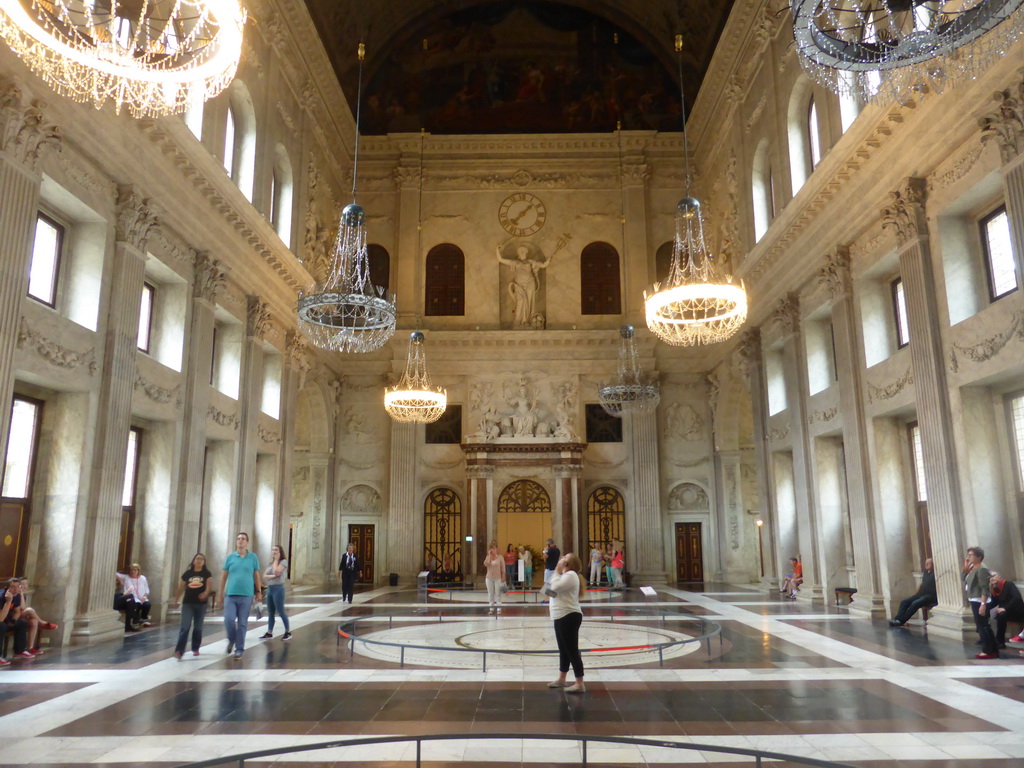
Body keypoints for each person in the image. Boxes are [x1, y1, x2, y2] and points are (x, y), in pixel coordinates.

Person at [542, 552, 586, 693]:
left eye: (564, 558)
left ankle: (579, 683)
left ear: (568, 564)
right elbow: (547, 592)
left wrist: (556, 571)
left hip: (568, 615)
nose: (561, 559)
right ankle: (562, 678)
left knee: (572, 650)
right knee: (564, 649)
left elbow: (553, 588)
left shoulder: (571, 575)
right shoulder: (563, 577)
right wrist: (555, 576)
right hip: (560, 615)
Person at [219, 532, 262, 660]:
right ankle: (232, 639)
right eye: (238, 539)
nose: (240, 541)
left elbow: (256, 575)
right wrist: (220, 593)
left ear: (247, 542)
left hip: (247, 594)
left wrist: (258, 591)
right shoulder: (230, 558)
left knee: (242, 623)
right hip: (231, 594)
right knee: (229, 619)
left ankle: (239, 649)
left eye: (243, 539)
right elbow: (223, 576)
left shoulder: (253, 557)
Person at [496, 244, 554, 327]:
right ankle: (517, 320)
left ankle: (527, 321)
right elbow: (500, 259)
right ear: (519, 254)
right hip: (519, 284)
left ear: (526, 254)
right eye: (521, 252)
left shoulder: (531, 261)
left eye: (524, 252)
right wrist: (497, 250)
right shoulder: (515, 262)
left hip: (530, 283)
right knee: (520, 301)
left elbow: (543, 265)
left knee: (529, 302)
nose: (523, 254)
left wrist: (549, 260)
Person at [172, 553, 212, 659]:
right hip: (188, 603)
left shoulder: (207, 574)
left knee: (198, 628)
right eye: (197, 558)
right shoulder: (187, 574)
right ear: (193, 561)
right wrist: (176, 600)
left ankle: (195, 648)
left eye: (202, 559)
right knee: (185, 627)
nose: (199, 561)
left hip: (201, 604)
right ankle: (179, 650)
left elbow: (208, 587)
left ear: (204, 562)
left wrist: (205, 593)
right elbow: (180, 588)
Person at [963, 546, 999, 659]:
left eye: (971, 555)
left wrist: (983, 604)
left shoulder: (982, 569)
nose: (969, 557)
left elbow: (985, 588)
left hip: (980, 600)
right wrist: (965, 568)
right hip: (974, 599)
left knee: (982, 626)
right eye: (968, 555)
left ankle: (987, 650)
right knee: (984, 625)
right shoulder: (973, 567)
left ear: (979, 556)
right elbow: (964, 579)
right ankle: (993, 649)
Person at [9, 577, 57, 657]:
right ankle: (43, 623)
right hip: (14, 617)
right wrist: (20, 593)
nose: (24, 586)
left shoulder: (22, 595)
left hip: (21, 618)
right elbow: (22, 608)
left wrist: (21, 594)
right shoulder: (15, 595)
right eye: (22, 584)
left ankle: (30, 647)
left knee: (34, 621)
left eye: (26, 584)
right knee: (30, 610)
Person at [888, 558, 938, 626]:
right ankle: (898, 619)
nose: (926, 565)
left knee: (915, 603)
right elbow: (922, 583)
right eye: (926, 563)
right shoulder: (926, 572)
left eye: (928, 563)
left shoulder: (935, 573)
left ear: (933, 564)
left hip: (930, 596)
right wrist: (917, 591)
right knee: (904, 602)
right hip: (920, 594)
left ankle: (902, 621)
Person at [261, 544, 291, 641]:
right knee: (271, 612)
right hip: (270, 588)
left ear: (280, 552)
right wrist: (273, 576)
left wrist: (277, 561)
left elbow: (277, 571)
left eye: (276, 550)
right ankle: (269, 632)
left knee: (281, 611)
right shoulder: (271, 563)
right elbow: (264, 576)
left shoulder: (283, 562)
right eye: (273, 550)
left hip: (278, 589)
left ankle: (288, 631)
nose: (274, 551)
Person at [989, 572, 1024, 648]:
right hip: (1005, 611)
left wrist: (1005, 608)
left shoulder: (1009, 584)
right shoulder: (995, 588)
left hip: (1016, 610)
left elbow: (1017, 598)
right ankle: (988, 639)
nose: (992, 578)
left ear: (999, 577)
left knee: (1001, 615)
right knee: (997, 614)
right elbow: (994, 601)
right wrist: (985, 607)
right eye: (990, 577)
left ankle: (1000, 641)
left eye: (993, 576)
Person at [114, 563, 152, 631]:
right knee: (136, 604)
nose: (133, 572)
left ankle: (143, 619)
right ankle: (137, 620)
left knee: (147, 605)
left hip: (142, 597)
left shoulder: (142, 578)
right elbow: (114, 573)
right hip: (133, 598)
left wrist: (144, 597)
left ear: (138, 571)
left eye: (135, 570)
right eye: (131, 570)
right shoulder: (126, 577)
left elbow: (146, 589)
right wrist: (120, 580)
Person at [484, 541, 504, 615]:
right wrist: (489, 555)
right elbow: (486, 564)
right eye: (492, 548)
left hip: (497, 577)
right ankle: (491, 608)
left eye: (495, 548)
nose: (493, 549)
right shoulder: (488, 557)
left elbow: (503, 568)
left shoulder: (500, 557)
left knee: (498, 593)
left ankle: (499, 608)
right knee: (490, 593)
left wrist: (503, 577)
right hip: (489, 577)